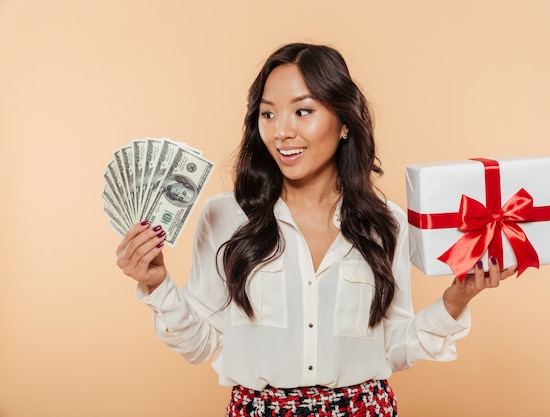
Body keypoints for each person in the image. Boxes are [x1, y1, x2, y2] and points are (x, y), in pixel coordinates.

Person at [116, 42, 517, 416]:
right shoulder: (225, 217)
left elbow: (392, 347)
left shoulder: (386, 223)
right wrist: (158, 285)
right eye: (268, 113)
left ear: (344, 121)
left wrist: (455, 301)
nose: (281, 131)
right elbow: (202, 343)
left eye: (302, 111)